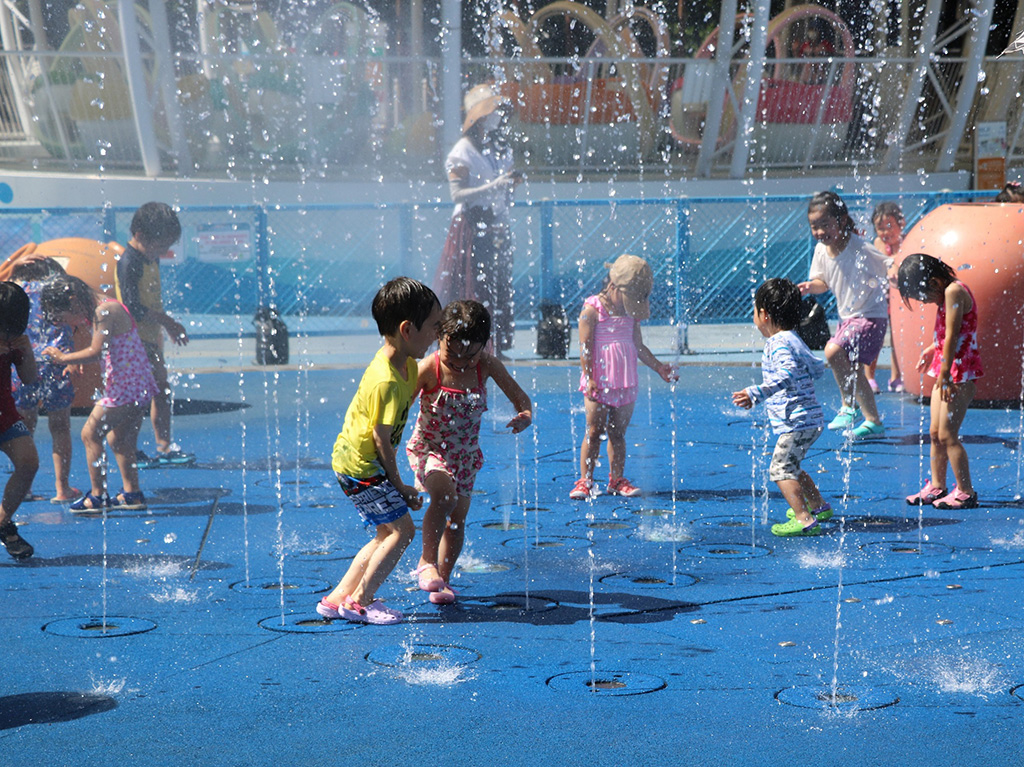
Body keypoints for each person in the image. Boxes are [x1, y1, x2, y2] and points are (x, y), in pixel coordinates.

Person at [316, 277, 442, 625]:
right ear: (406, 330)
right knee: (404, 531)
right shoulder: (385, 378)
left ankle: (337, 598)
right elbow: (381, 439)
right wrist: (400, 485)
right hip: (362, 466)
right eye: (433, 326)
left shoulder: (408, 365)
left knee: (386, 532)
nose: (437, 334)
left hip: (355, 462)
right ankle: (360, 601)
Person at [407, 299, 532, 605]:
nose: (461, 362)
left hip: (465, 456)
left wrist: (524, 417)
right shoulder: (429, 368)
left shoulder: (487, 365)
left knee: (457, 520)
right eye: (454, 352)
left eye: (470, 354)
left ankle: (443, 582)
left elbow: (522, 400)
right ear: (440, 337)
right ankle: (426, 562)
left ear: (484, 345)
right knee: (444, 497)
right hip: (430, 449)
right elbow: (398, 410)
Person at [41, 275, 157, 512]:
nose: (66, 323)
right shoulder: (106, 306)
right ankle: (132, 494)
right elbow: (104, 349)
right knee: (119, 439)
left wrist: (63, 358)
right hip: (138, 385)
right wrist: (77, 359)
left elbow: (95, 351)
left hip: (126, 388)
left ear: (73, 301)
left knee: (90, 433)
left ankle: (98, 496)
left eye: (63, 317)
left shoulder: (104, 311)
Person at [571, 254, 677, 500]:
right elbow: (585, 346)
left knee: (618, 433)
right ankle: (585, 480)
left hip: (625, 381)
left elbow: (638, 345)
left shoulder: (631, 313)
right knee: (594, 431)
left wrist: (659, 367)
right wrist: (589, 377)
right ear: (613, 286)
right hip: (598, 381)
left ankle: (616, 479)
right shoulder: (592, 309)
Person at [732, 278, 830, 537]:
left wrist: (755, 393)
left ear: (763, 314)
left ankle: (804, 518)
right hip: (809, 419)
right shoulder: (794, 338)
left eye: (754, 311)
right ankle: (818, 505)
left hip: (796, 422)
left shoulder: (777, 342)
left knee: (780, 469)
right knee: (792, 464)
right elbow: (814, 368)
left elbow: (786, 374)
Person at [436, 84, 522, 355]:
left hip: (495, 224)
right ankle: (467, 341)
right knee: (470, 284)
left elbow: (502, 192)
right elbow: (457, 194)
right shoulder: (462, 151)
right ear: (479, 117)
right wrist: (495, 185)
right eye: (491, 112)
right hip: (469, 227)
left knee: (497, 282)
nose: (497, 117)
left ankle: (493, 342)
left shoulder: (499, 148)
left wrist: (509, 186)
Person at [798, 191, 890, 440]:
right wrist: (810, 287)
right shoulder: (820, 250)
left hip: (871, 316)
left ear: (840, 221)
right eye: (814, 226)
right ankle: (874, 421)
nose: (819, 232)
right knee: (854, 370)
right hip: (847, 319)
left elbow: (888, 265)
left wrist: (898, 275)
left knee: (833, 351)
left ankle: (850, 407)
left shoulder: (859, 247)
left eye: (824, 224)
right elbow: (822, 282)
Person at [898, 254, 982, 509]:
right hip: (947, 369)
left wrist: (945, 374)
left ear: (934, 282)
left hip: (958, 374)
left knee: (947, 435)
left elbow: (955, 335)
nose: (923, 302)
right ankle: (937, 485)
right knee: (935, 433)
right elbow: (949, 333)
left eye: (922, 296)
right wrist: (932, 349)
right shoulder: (947, 293)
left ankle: (966, 491)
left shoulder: (954, 291)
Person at [115, 202, 192, 467]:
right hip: (132, 342)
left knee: (161, 389)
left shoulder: (149, 256)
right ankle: (130, 449)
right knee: (136, 398)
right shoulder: (129, 263)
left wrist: (162, 327)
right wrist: (168, 322)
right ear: (139, 235)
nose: (164, 251)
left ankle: (164, 446)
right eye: (161, 245)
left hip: (148, 338)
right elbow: (131, 307)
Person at [9, 257, 80, 503]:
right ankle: (62, 489)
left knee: (25, 427)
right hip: (56, 363)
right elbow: (70, 284)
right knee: (60, 427)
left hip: (24, 364)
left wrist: (16, 265)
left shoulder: (17, 290)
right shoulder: (57, 289)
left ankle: (24, 488)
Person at [0, 282, 38, 559]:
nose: (9, 336)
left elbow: (29, 378)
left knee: (28, 462)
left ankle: (1, 521)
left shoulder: (14, 340)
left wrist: (26, 352)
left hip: (5, 413)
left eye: (15, 331)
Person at [866, 201, 906, 394]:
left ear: (901, 224)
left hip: (898, 300)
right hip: (879, 300)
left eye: (889, 226)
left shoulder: (906, 243)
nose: (884, 232)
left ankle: (895, 377)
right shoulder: (877, 244)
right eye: (880, 228)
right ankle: (869, 377)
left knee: (898, 338)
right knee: (876, 338)